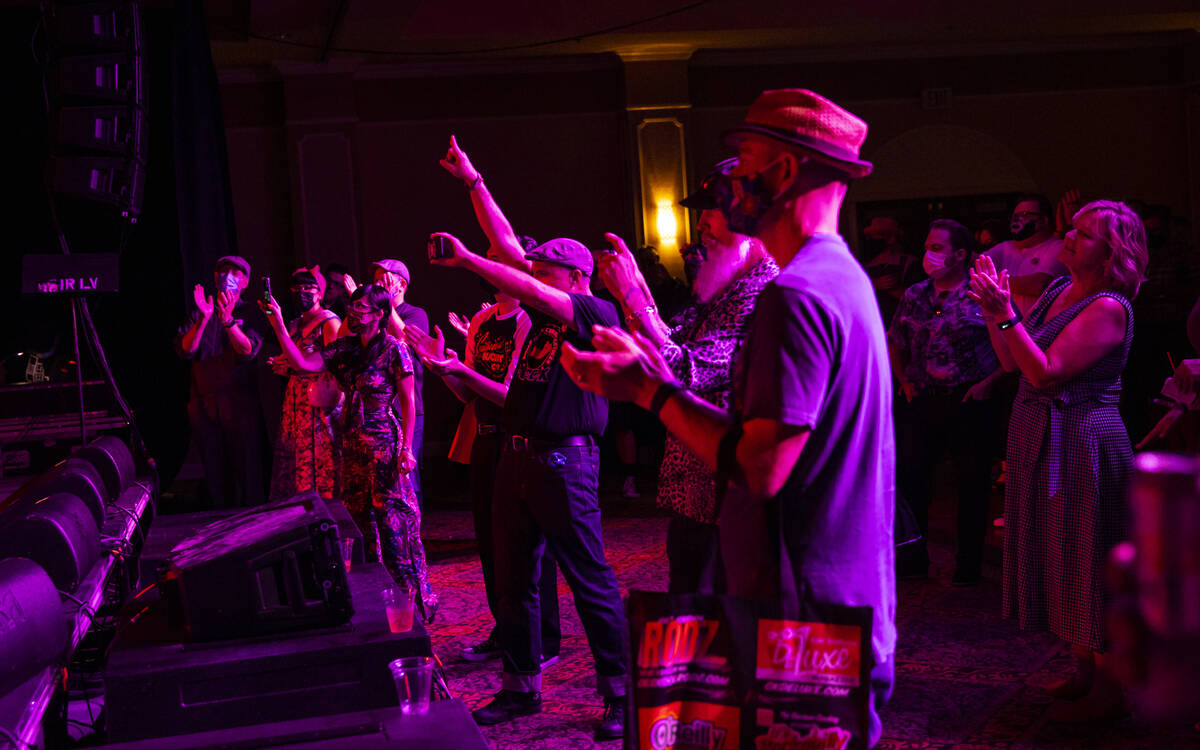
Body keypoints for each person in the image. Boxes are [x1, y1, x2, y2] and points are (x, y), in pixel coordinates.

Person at [561, 88, 897, 747]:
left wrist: (650, 391)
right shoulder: (841, 277)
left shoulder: (795, 296)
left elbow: (762, 467)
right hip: (830, 599)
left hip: (797, 621)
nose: (729, 182)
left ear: (784, 171)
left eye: (744, 160)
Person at [428, 225, 627, 740]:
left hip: (567, 462)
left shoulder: (595, 312)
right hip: (517, 458)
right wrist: (472, 180)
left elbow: (528, 283)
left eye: (544, 273)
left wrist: (469, 259)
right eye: (532, 271)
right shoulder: (537, 325)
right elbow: (512, 252)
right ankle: (520, 687)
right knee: (514, 580)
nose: (529, 280)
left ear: (577, 278)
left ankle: (621, 692)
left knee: (590, 580)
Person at [968, 199, 1148, 722]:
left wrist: (1005, 315)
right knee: (1064, 558)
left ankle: (1112, 693)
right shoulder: (1055, 290)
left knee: (1091, 560)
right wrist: (990, 308)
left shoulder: (1110, 306)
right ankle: (1084, 673)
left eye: (1083, 234)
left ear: (1111, 253)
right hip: (1041, 434)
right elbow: (1012, 361)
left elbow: (1047, 373)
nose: (1067, 236)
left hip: (1082, 442)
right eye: (1070, 228)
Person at [597, 157, 779, 594]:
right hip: (698, 488)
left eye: (711, 214)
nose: (701, 227)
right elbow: (674, 339)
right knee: (693, 614)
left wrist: (633, 299)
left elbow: (687, 370)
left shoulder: (765, 289)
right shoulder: (727, 283)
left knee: (718, 623)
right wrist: (637, 293)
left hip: (727, 490)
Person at [420, 138, 564, 667]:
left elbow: (515, 396)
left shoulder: (536, 318)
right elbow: (470, 394)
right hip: (483, 441)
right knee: (489, 542)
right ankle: (507, 632)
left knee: (530, 550)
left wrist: (474, 181)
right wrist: (446, 370)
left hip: (519, 439)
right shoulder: (482, 321)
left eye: (511, 261)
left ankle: (542, 639)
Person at [263, 283, 438, 622]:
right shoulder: (346, 348)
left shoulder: (394, 350)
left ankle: (413, 604)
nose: (354, 313)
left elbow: (408, 401)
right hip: (352, 446)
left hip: (385, 445)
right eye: (353, 306)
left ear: (380, 314)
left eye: (362, 308)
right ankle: (377, 602)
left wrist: (407, 449)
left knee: (393, 527)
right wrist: (279, 324)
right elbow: (302, 364)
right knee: (359, 527)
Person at [887, 220, 1002, 585]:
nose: (928, 254)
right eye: (927, 245)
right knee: (912, 480)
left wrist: (989, 383)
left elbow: (1010, 342)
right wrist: (903, 379)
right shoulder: (915, 294)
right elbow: (896, 338)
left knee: (972, 483)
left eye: (937, 247)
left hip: (968, 398)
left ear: (961, 254)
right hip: (921, 399)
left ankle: (968, 564)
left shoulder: (980, 293)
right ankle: (913, 556)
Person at [175, 255, 267, 508]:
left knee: (249, 476)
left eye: (235, 273)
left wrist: (228, 321)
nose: (228, 276)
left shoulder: (251, 312)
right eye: (223, 271)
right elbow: (186, 350)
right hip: (205, 405)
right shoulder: (200, 310)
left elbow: (248, 351)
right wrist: (205, 318)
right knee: (215, 476)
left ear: (245, 281)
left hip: (239, 406)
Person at [343, 259, 431, 508]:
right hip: (376, 416)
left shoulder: (414, 313)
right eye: (375, 279)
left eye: (384, 279)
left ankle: (412, 537)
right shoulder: (371, 317)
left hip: (406, 410)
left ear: (401, 284)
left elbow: (405, 340)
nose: (377, 284)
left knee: (407, 477)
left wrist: (388, 306)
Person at [267, 268, 342, 501]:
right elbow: (290, 359)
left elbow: (335, 362)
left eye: (308, 288)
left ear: (320, 292)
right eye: (296, 289)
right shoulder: (295, 323)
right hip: (296, 402)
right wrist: (280, 364)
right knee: (296, 460)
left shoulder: (329, 322)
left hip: (319, 402)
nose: (302, 293)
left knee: (321, 461)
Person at [984, 194, 1067, 315]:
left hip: (1043, 329)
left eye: (1025, 214)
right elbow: (974, 267)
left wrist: (992, 282)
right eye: (1015, 216)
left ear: (1044, 220)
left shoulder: (1057, 246)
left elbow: (1040, 284)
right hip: (1006, 327)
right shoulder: (1004, 248)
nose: (1017, 219)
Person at [862, 216, 916, 325]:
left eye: (876, 235)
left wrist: (899, 291)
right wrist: (873, 285)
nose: (872, 240)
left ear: (891, 239)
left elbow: (920, 298)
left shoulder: (907, 262)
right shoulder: (866, 265)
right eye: (870, 236)